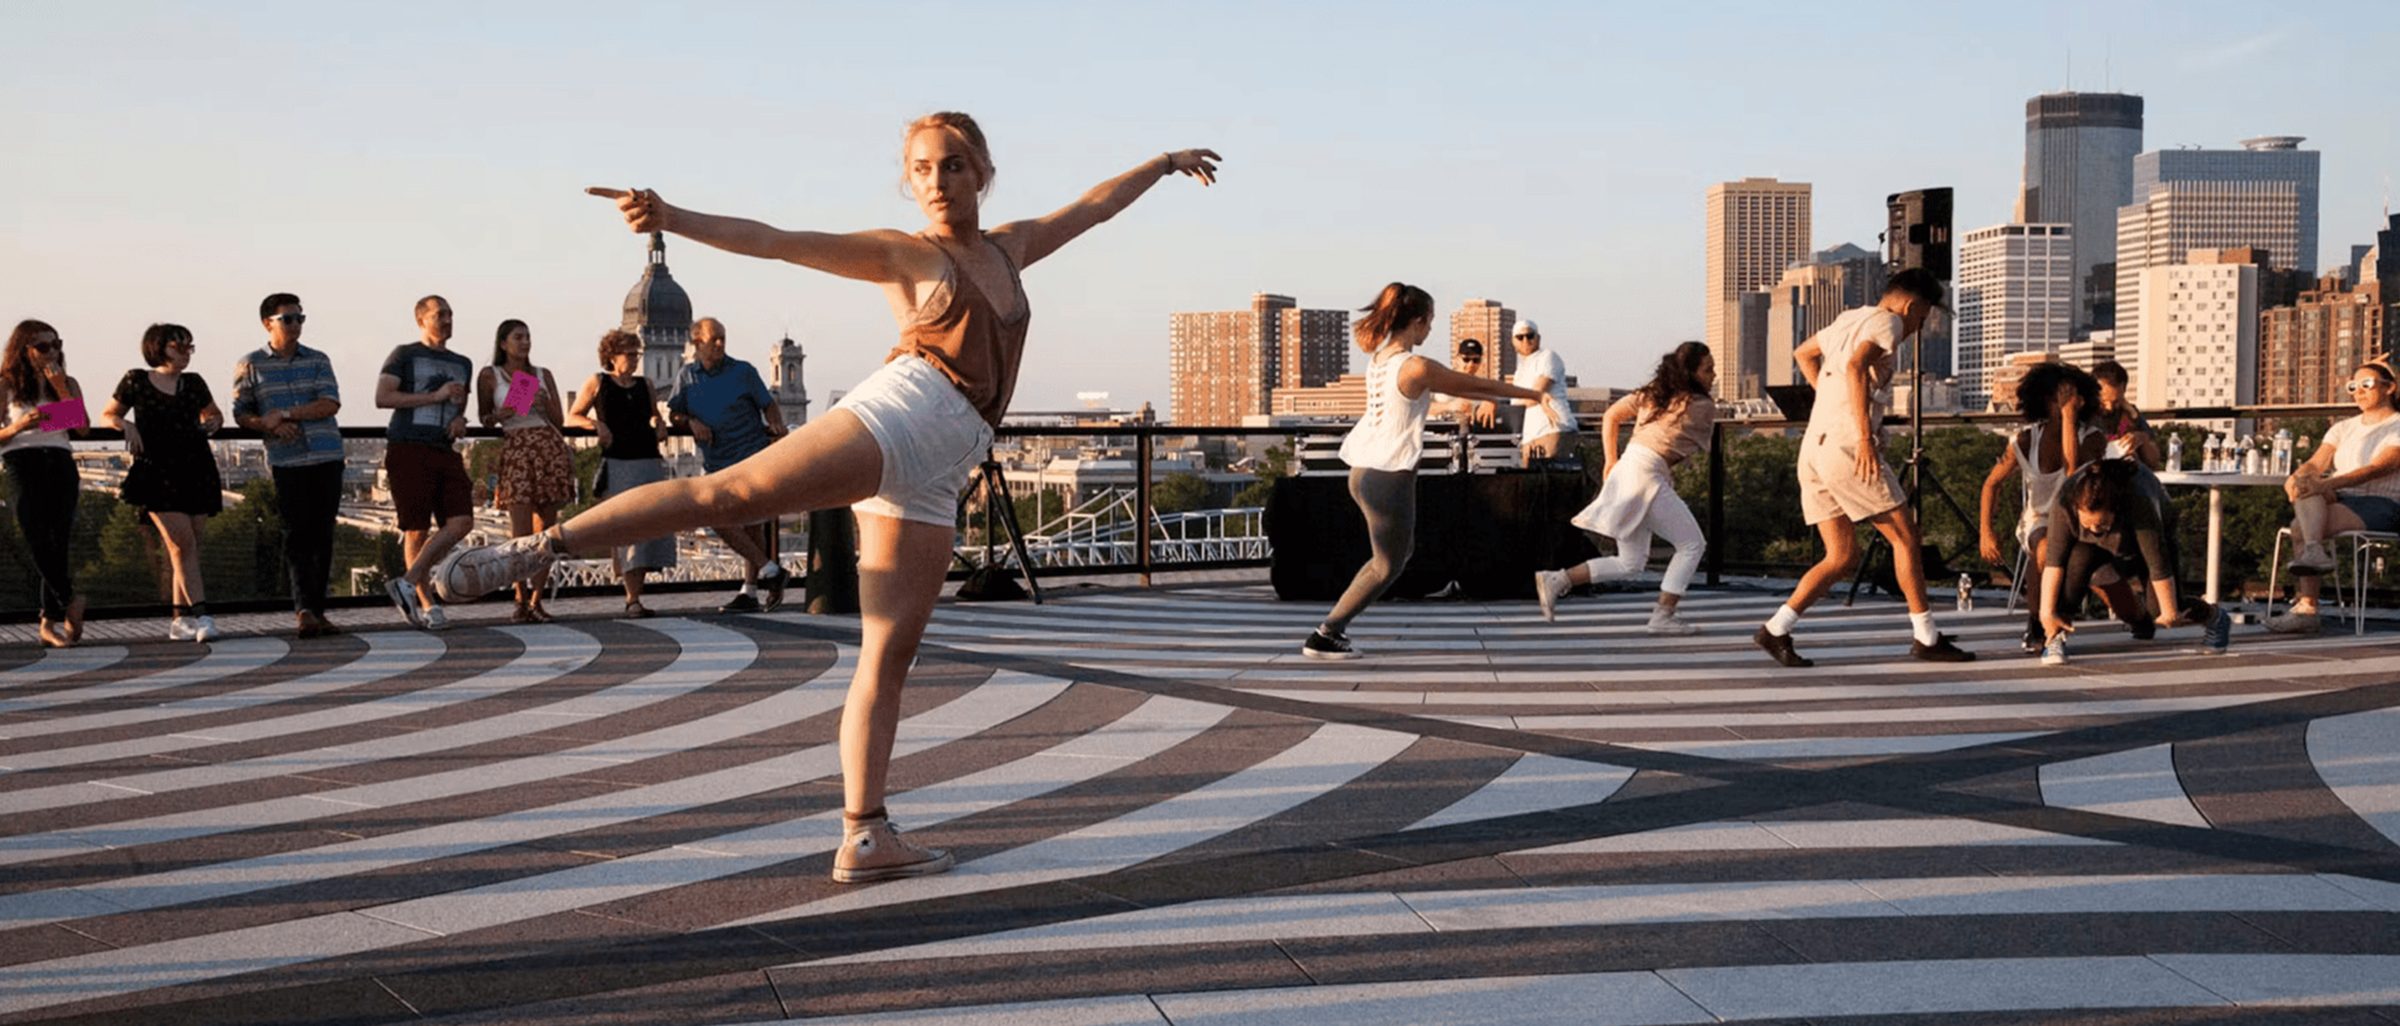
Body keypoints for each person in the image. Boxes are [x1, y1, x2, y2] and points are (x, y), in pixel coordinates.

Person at [434, 112, 1220, 882]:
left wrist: (1159, 164)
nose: (938, 181)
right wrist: (672, 217)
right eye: (922, 169)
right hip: (908, 410)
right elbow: (777, 242)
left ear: (983, 171)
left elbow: (1088, 209)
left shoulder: (1011, 247)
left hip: (946, 463)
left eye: (952, 164)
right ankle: (534, 550)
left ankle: (866, 835)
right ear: (908, 184)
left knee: (888, 654)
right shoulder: (905, 254)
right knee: (731, 494)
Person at [1303, 283, 1566, 660]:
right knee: (1387, 564)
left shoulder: (1380, 360)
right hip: (1389, 475)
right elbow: (1473, 385)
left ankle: (1330, 632)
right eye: (1430, 323)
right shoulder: (1416, 367)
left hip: (1363, 472)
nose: (1430, 331)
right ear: (1419, 320)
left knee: (1393, 557)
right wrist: (1536, 395)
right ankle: (1326, 634)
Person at [1754, 269, 1974, 667]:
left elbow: (1803, 353)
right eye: (1922, 318)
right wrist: (1863, 437)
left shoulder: (1848, 318)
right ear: (1911, 306)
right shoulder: (1888, 321)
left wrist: (1830, 396)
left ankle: (1775, 629)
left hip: (1815, 449)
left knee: (1841, 556)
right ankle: (1926, 637)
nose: (1918, 328)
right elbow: (1856, 367)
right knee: (1906, 537)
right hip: (1847, 449)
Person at [1533, 341, 1716, 634]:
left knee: (1631, 563)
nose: (1714, 375)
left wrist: (1610, 460)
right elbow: (1677, 449)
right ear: (1691, 373)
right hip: (1646, 473)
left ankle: (1558, 579)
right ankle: (1663, 616)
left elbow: (1612, 416)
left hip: (1629, 467)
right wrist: (1663, 471)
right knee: (1692, 544)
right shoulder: (1702, 405)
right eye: (1708, 369)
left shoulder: (1653, 394)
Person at [98, 324, 227, 643]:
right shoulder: (136, 380)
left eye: (189, 347)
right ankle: (202, 615)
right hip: (156, 472)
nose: (185, 353)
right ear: (159, 347)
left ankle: (179, 619)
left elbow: (214, 413)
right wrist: (124, 424)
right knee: (184, 544)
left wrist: (213, 421)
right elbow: (106, 414)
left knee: (185, 547)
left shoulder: (194, 383)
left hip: (195, 467)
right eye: (178, 346)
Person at [2038, 459, 2232, 664]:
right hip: (2089, 549)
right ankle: (2055, 637)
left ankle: (2214, 617)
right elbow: (2054, 563)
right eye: (2087, 524)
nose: (2094, 530)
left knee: (2164, 607)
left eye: (2101, 525)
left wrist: (2170, 612)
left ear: (2115, 510)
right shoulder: (2064, 504)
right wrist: (2047, 613)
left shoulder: (2139, 501)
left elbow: (2158, 563)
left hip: (2150, 540)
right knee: (2075, 567)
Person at [233, 292, 345, 638]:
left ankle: (316, 609)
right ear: (268, 323)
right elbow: (242, 413)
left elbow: (330, 403)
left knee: (322, 534)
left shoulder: (317, 359)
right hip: (288, 459)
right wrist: (267, 424)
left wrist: (284, 414)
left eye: (300, 318)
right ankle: (304, 609)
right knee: (298, 535)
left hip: (325, 454)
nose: (296, 324)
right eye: (289, 319)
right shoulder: (251, 364)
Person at [1977, 362, 2110, 651]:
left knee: (2133, 613)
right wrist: (1986, 531)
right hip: (2039, 518)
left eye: (2069, 397)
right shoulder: (2025, 440)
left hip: (2083, 518)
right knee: (2045, 544)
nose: (2062, 403)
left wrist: (2069, 418)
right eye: (2057, 397)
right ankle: (2039, 622)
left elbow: (2073, 474)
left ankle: (2137, 616)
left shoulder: (2092, 439)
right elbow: (1991, 484)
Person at [667, 317, 791, 613]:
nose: (721, 344)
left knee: (752, 523)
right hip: (717, 462)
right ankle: (770, 571)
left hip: (751, 457)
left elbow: (768, 405)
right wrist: (689, 421)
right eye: (715, 339)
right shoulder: (686, 376)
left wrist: (775, 422)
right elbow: (674, 414)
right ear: (697, 344)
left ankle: (751, 588)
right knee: (718, 516)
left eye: (723, 338)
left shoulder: (742, 371)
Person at [2266, 363, 2400, 634]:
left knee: (2298, 527)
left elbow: (2378, 468)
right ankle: (2314, 557)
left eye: (2367, 385)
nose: (2358, 392)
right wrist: (2300, 476)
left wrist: (2325, 483)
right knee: (2305, 487)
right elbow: (2317, 462)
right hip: (2340, 496)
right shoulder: (2344, 428)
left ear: (2390, 387)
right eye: (2353, 386)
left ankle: (2308, 607)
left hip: (2381, 502)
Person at [376, 295, 476, 631]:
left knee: (462, 521)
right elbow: (382, 397)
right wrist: (439, 399)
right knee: (416, 526)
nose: (448, 320)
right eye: (440, 315)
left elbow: (467, 408)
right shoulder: (406, 354)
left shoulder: (532, 374)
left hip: (455, 448)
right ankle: (425, 600)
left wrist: (461, 418)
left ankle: (530, 603)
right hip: (412, 446)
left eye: (450, 314)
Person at [567, 329, 676, 618]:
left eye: (637, 354)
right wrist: (596, 426)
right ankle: (632, 599)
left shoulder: (646, 384)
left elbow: (652, 413)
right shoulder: (597, 382)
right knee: (628, 529)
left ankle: (635, 596)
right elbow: (571, 415)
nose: (635, 359)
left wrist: (659, 423)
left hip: (647, 459)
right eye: (630, 354)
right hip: (618, 462)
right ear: (612, 356)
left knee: (647, 528)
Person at [478, 319, 575, 623]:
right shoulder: (490, 375)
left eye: (528, 337)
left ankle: (537, 599)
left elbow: (560, 420)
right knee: (519, 534)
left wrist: (543, 403)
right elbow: (484, 418)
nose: (525, 342)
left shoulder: (542, 374)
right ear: (503, 343)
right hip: (517, 449)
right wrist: (503, 412)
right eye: (518, 337)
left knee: (544, 531)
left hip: (547, 448)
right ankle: (519, 598)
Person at [0, 320, 87, 648]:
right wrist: (20, 425)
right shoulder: (7, 385)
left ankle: (49, 622)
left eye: (56, 344)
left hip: (60, 461)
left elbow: (81, 429)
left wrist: (63, 390)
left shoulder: (67, 383)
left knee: (58, 541)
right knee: (36, 536)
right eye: (43, 346)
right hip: (23, 462)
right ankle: (69, 600)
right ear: (24, 350)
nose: (52, 352)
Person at [1509, 319, 1578, 465]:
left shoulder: (1547, 356)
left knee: (1553, 480)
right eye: (1520, 337)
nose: (1525, 340)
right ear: (1513, 342)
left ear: (1538, 338)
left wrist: (1514, 406)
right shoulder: (1519, 370)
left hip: (1553, 430)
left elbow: (1535, 395)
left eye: (1530, 335)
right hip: (1529, 436)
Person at [2090, 360, 2162, 467]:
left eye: (2116, 401)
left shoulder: (2130, 413)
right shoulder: (2086, 416)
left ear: (2123, 391)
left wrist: (2142, 439)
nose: (2109, 407)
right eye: (2104, 401)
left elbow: (2154, 461)